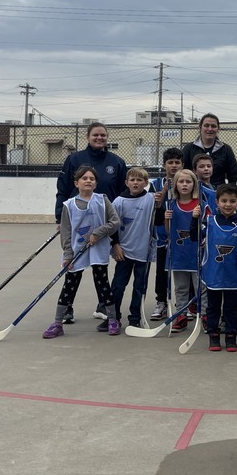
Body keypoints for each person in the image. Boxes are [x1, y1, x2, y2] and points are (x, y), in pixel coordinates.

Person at [54, 121, 127, 324]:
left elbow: (123, 193)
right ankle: (66, 309)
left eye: (103, 135)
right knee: (73, 266)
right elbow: (62, 189)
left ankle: (104, 306)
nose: (99, 138)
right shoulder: (74, 159)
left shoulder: (117, 162)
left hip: (105, 224)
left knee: (100, 268)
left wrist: (114, 235)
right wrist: (60, 216)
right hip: (78, 224)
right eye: (95, 135)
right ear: (88, 137)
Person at [43, 165, 121, 339]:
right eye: (84, 178)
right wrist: (68, 254)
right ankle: (57, 323)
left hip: (98, 249)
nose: (88, 181)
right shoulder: (69, 205)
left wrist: (98, 233)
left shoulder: (102, 200)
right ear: (76, 183)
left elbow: (115, 222)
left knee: (102, 283)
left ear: (96, 183)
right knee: (69, 285)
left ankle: (112, 319)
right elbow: (65, 231)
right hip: (77, 250)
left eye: (92, 179)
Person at [194, 183, 237, 352]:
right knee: (213, 307)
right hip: (214, 274)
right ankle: (213, 335)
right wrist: (194, 219)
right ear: (217, 202)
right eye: (224, 200)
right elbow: (194, 237)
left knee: (231, 308)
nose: (228, 204)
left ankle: (231, 336)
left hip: (234, 274)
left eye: (232, 201)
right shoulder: (209, 221)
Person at [110, 168, 157, 328]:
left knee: (139, 287)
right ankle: (113, 317)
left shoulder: (151, 199)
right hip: (124, 252)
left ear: (146, 183)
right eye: (132, 180)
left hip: (143, 253)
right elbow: (112, 226)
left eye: (139, 180)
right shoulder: (118, 202)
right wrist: (115, 245)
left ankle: (135, 317)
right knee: (118, 286)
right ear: (126, 182)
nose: (136, 183)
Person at [164, 169, 202, 333]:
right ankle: (181, 316)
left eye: (188, 181)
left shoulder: (200, 203)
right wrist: (166, 219)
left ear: (194, 184)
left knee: (201, 288)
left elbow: (207, 227)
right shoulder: (171, 204)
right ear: (175, 185)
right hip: (179, 253)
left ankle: (205, 316)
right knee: (180, 288)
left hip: (196, 253)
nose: (185, 185)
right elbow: (168, 231)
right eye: (181, 181)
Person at [150, 147, 182, 321]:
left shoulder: (186, 181)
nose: (174, 166)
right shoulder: (156, 184)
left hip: (182, 235)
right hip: (163, 235)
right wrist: (164, 190)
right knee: (162, 271)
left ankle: (185, 303)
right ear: (164, 165)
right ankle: (161, 301)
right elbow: (153, 209)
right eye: (170, 162)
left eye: (177, 162)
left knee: (184, 271)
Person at [182, 113, 237, 186]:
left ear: (218, 129)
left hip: (219, 191)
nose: (210, 129)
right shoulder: (189, 148)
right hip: (195, 190)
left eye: (213, 126)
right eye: (206, 125)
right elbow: (183, 172)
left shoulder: (226, 149)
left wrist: (231, 191)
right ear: (200, 127)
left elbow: (233, 176)